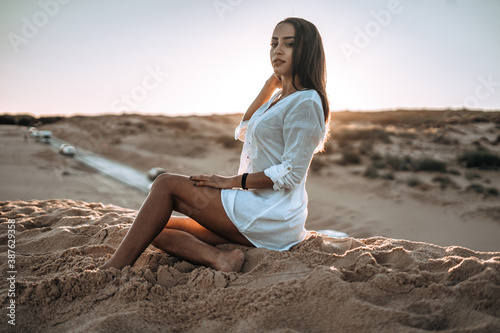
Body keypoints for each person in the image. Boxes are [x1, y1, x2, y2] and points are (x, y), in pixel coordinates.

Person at [100, 17, 330, 273]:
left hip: (271, 213)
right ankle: (220, 259)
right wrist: (268, 87)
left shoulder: (306, 101)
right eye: (273, 43)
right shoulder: (279, 98)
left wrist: (230, 181)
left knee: (165, 184)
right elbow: (245, 128)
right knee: (152, 226)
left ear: (307, 50)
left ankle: (113, 268)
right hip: (255, 207)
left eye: (288, 44)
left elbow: (291, 174)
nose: (277, 50)